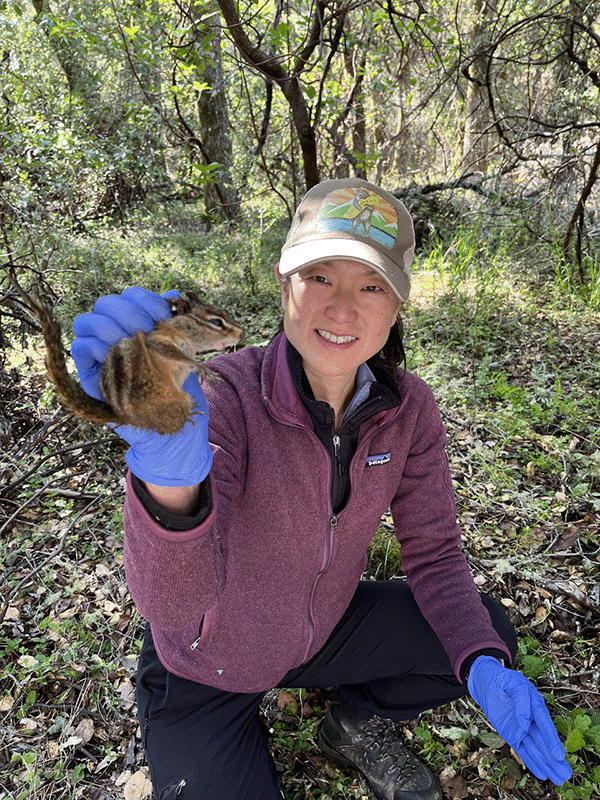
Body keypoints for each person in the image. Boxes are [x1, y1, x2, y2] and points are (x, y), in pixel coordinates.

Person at [71, 179, 572, 800]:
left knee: (481, 632)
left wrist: (481, 664)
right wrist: (171, 480)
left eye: (370, 286)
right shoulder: (223, 394)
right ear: (285, 285)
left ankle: (352, 724)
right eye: (319, 278)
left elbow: (436, 555)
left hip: (321, 628)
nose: (342, 309)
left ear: (396, 307)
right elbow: (174, 605)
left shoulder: (408, 408)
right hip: (206, 665)